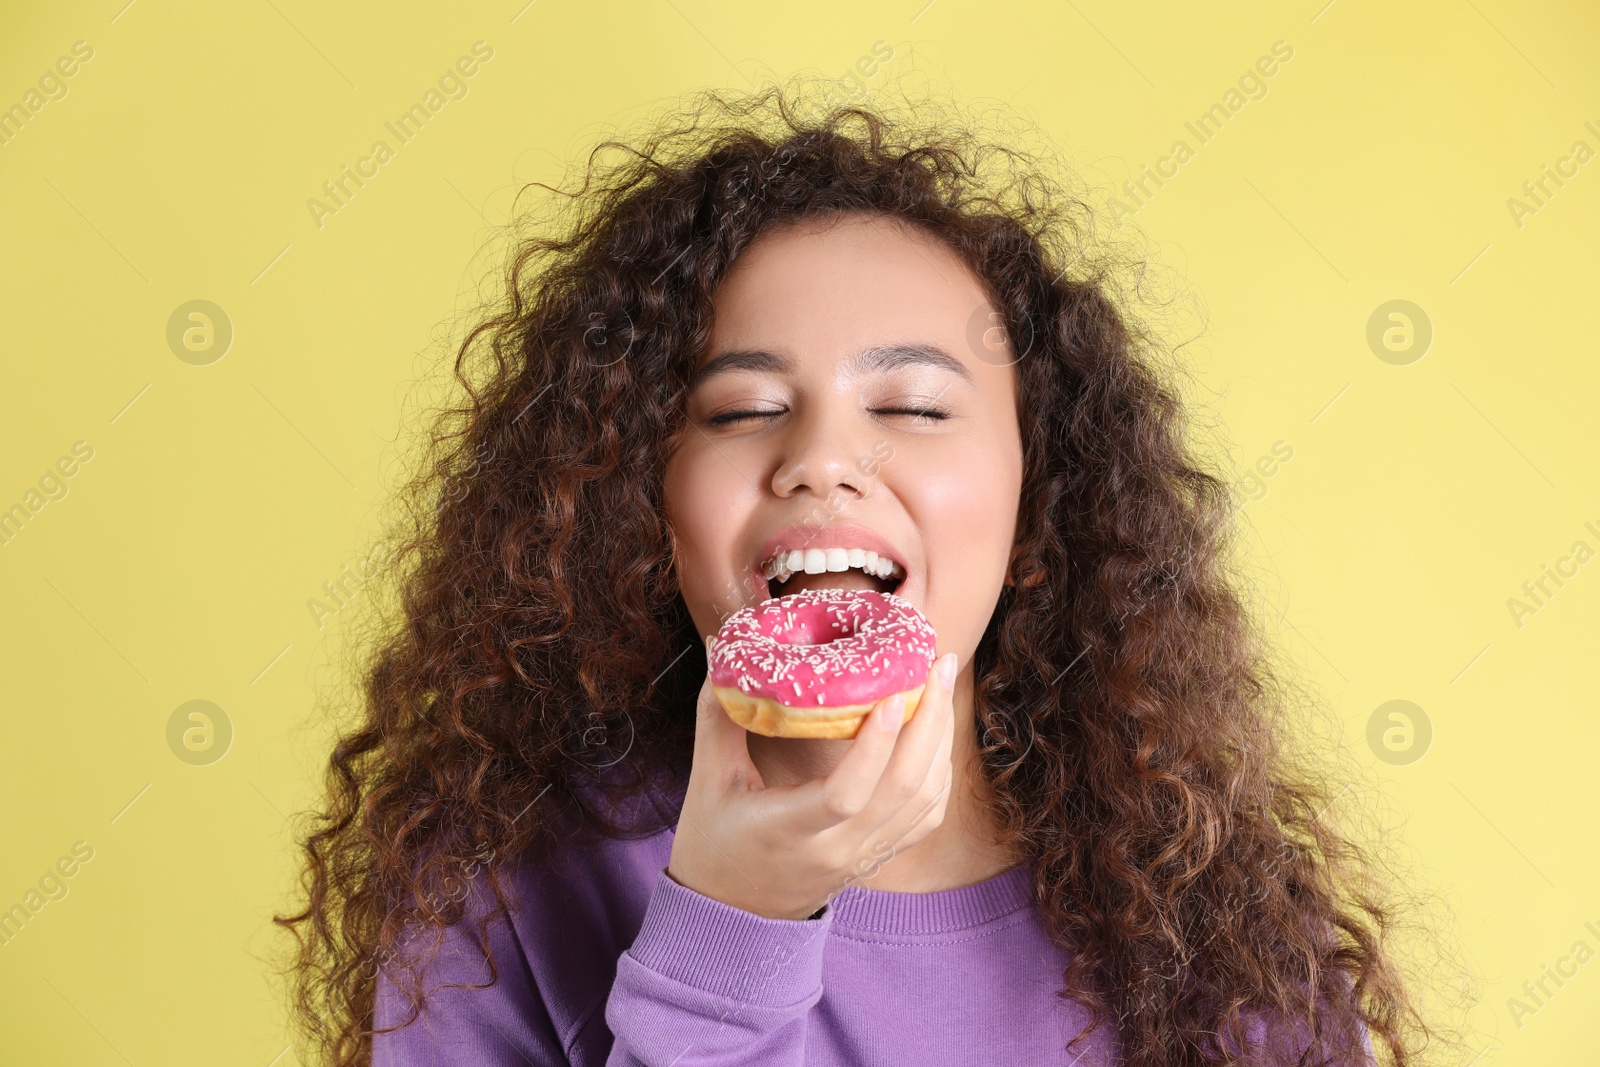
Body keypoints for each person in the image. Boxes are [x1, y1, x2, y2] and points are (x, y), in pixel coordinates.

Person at [275, 83, 1436, 1065]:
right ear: (643, 498)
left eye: (916, 406)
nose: (823, 460)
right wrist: (726, 932)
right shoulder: (500, 877)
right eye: (743, 409)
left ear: (1040, 503)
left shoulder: (1199, 915)